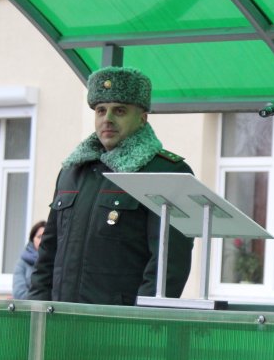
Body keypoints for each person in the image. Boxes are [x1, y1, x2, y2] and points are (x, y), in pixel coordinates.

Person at [29, 66, 194, 305]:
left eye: (119, 110)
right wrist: (37, 309)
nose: (108, 119)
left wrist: (140, 321)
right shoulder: (72, 171)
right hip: (61, 317)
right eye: (101, 110)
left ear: (142, 118)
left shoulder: (165, 172)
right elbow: (47, 253)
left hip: (119, 321)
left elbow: (168, 265)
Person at [12, 220, 45, 299]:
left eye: (45, 237)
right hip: (28, 305)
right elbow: (18, 293)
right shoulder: (22, 263)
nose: (42, 240)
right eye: (39, 237)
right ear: (32, 239)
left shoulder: (56, 261)